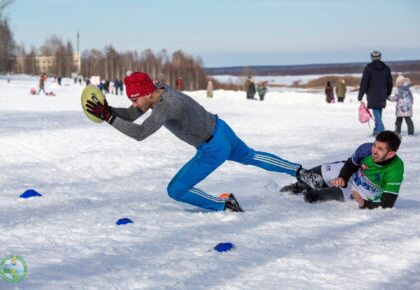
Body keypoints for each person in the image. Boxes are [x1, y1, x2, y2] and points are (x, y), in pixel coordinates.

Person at [85, 72, 322, 212]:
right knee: (252, 156)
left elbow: (139, 133)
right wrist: (108, 111)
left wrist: (108, 118)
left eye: (136, 99)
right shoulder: (157, 92)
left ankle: (224, 204)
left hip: (212, 148)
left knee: (176, 190)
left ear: (148, 93)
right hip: (222, 129)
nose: (134, 104)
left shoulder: (167, 105)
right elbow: (132, 114)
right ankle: (301, 172)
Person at [280, 131, 404, 209]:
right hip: (351, 173)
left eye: (380, 149)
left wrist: (365, 204)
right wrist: (342, 178)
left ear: (390, 154)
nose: (374, 151)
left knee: (311, 197)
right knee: (306, 177)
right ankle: (291, 188)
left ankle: (314, 190)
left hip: (359, 192)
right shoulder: (366, 149)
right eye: (374, 145)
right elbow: (350, 164)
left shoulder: (395, 170)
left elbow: (388, 203)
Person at [358, 51, 393, 136]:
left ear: (371, 58)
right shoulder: (386, 68)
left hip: (372, 94)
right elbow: (390, 82)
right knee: (378, 111)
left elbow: (364, 83)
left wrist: (360, 95)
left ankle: (380, 130)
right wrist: (388, 93)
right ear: (380, 57)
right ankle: (377, 129)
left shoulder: (368, 68)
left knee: (376, 111)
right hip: (382, 93)